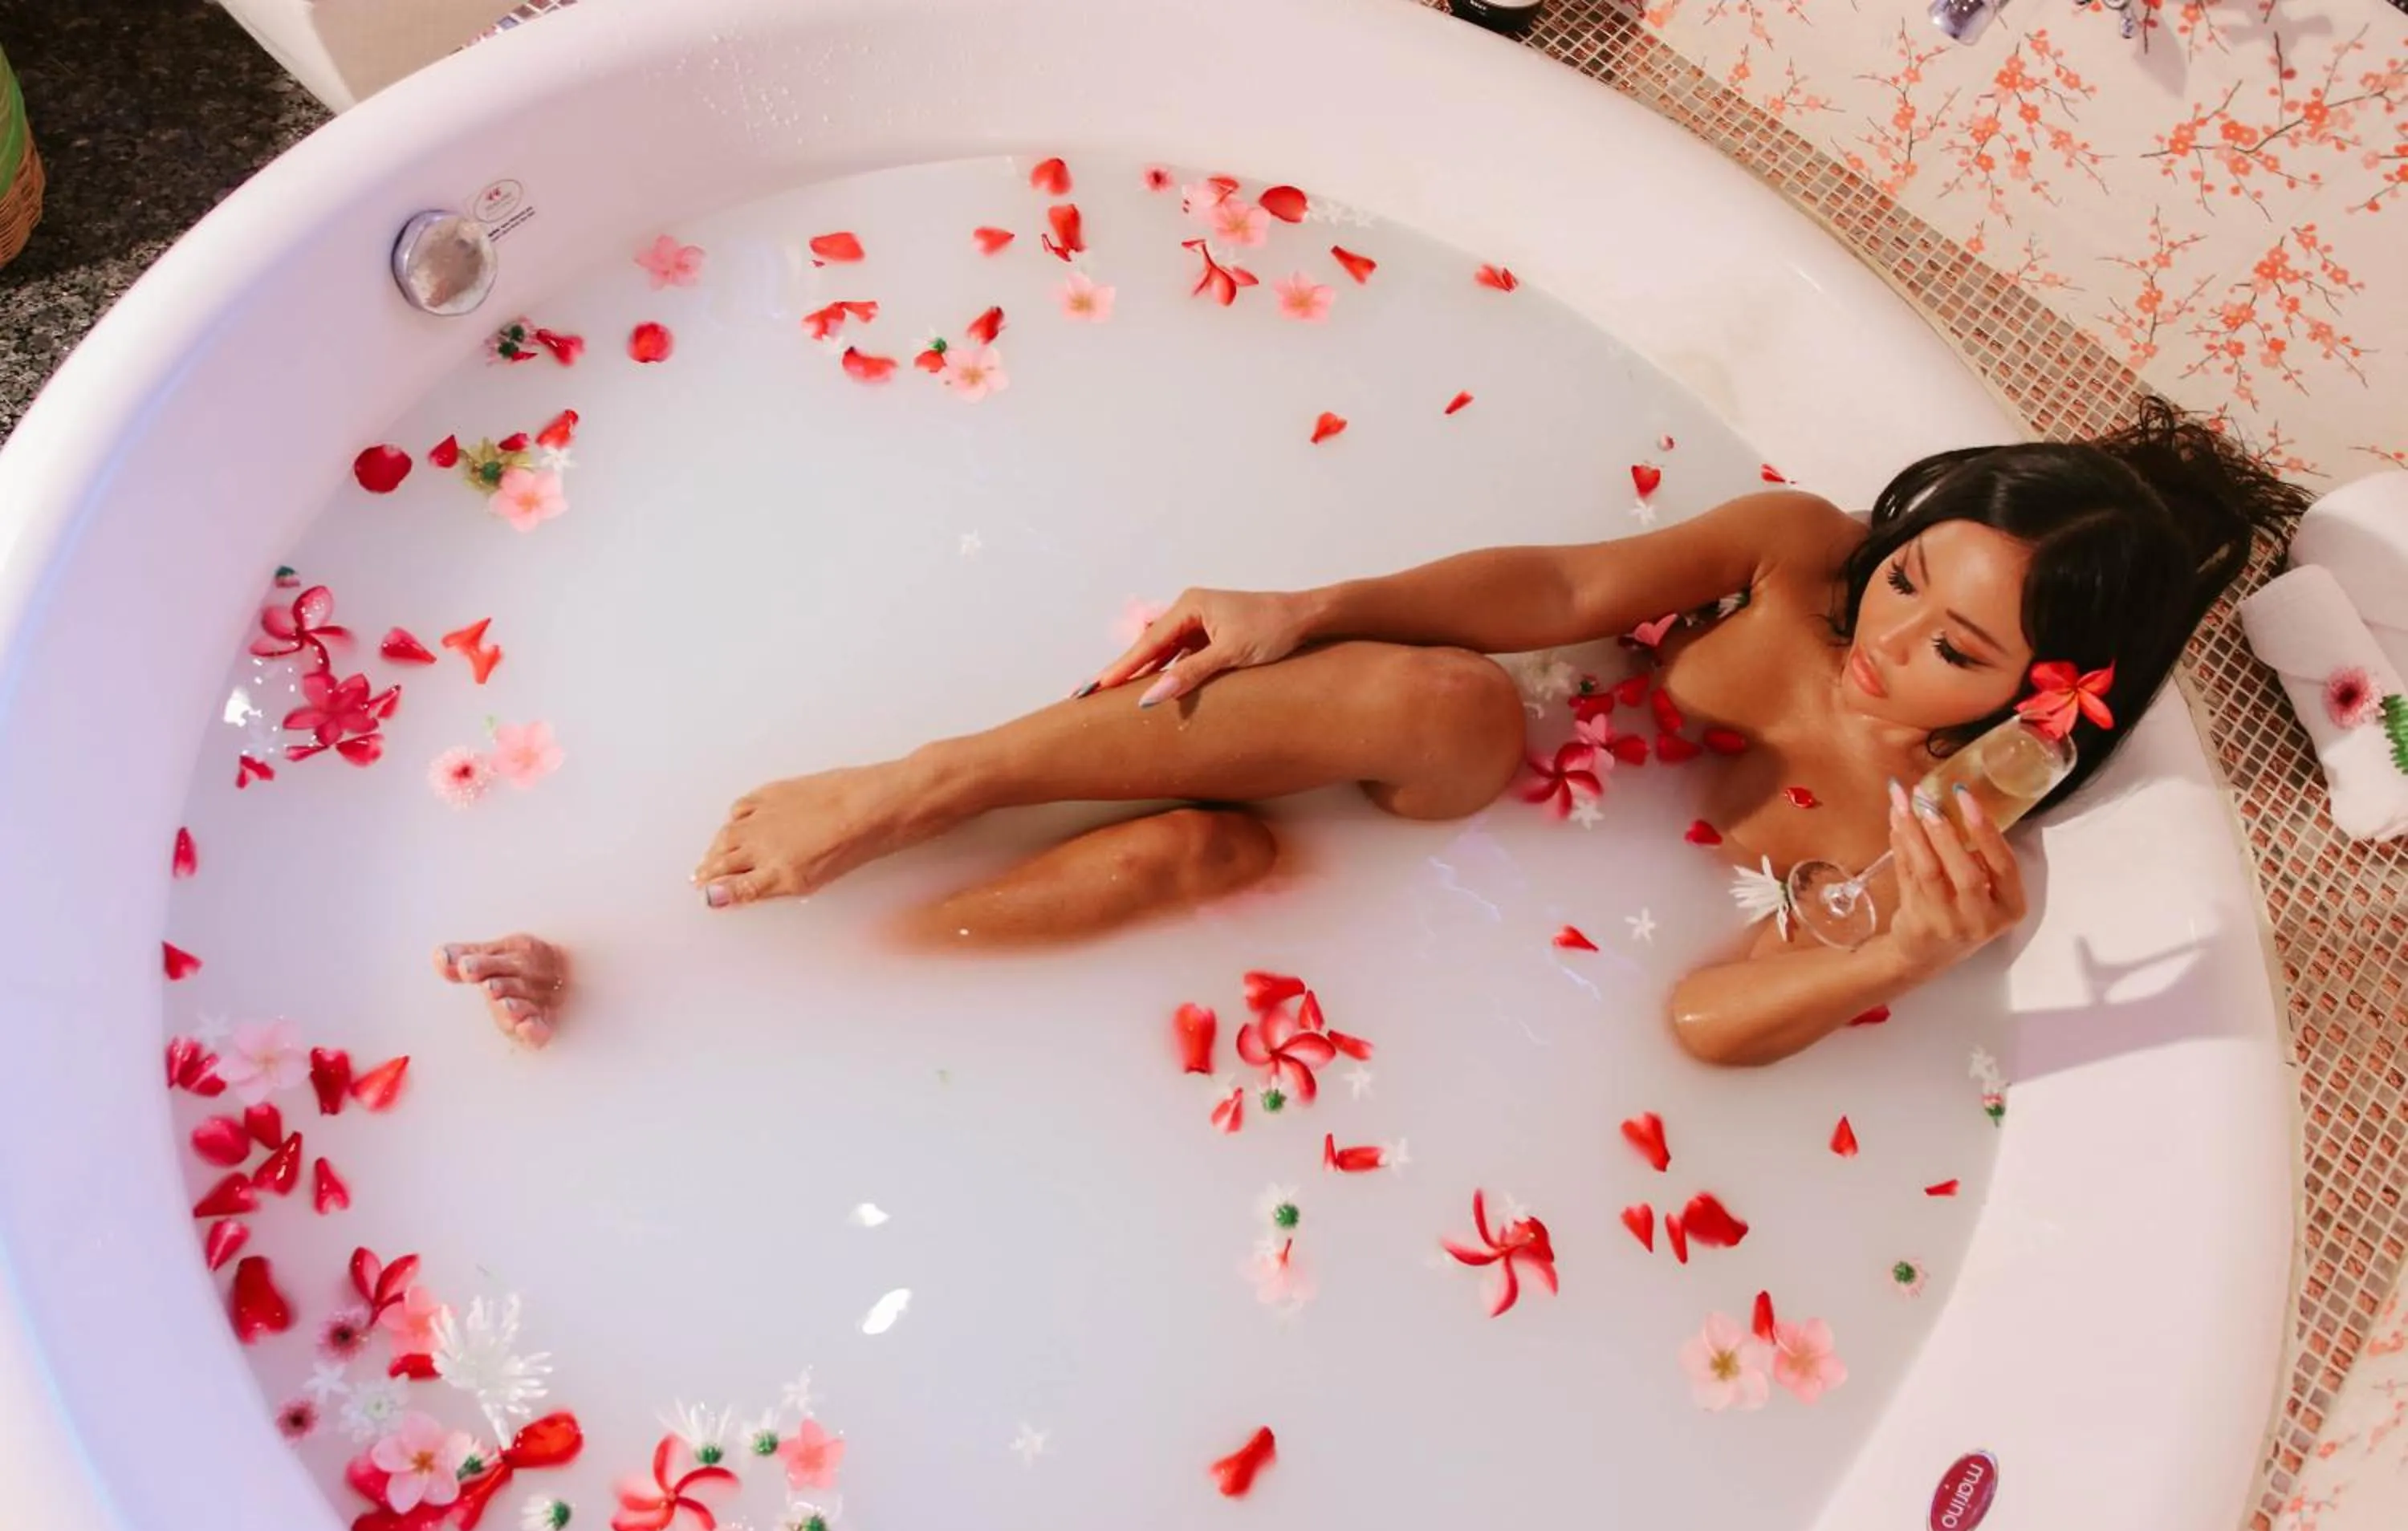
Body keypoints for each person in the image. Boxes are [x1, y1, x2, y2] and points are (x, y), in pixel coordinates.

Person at [437, 399, 2304, 1066]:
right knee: (1447, 690)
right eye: (1906, 575)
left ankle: (672, 995)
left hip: (1463, 886)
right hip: (1447, 746)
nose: (1886, 638)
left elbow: (1700, 1019)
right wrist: (1312, 606)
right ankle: (927, 778)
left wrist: (1893, 950)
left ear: (2054, 697)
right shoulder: (1794, 557)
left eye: (1955, 644)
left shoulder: (1949, 840)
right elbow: (1560, 586)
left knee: (1197, 855)